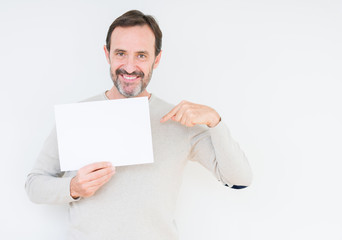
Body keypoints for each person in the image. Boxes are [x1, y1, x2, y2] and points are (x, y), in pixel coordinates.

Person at [25, 10, 252, 240]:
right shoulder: (77, 117)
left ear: (157, 58)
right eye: (121, 53)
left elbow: (239, 179)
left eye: (141, 55)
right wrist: (73, 188)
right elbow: (34, 185)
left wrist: (215, 121)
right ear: (107, 54)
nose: (130, 67)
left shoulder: (179, 120)